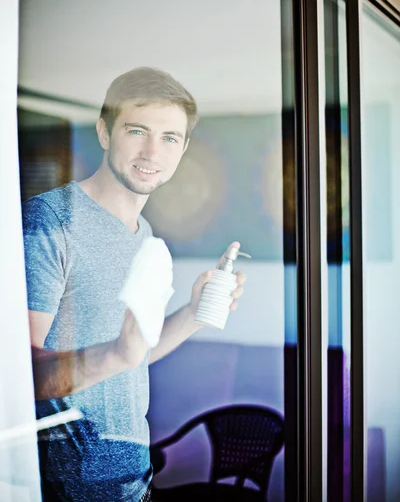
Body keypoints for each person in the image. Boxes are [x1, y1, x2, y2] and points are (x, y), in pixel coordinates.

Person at [23, 67, 246, 502]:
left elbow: (132, 356)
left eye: (169, 138)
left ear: (182, 149)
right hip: (69, 489)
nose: (152, 151)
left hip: (134, 480)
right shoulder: (50, 221)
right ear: (105, 132)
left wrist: (194, 313)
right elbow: (21, 374)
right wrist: (115, 353)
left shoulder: (142, 234)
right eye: (137, 130)